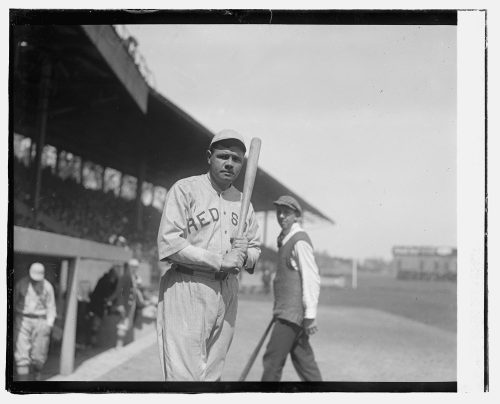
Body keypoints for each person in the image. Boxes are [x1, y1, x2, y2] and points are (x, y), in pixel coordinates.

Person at [156, 129, 261, 381]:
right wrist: (220, 260)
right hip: (188, 285)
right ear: (209, 157)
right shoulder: (185, 189)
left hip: (227, 290)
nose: (230, 163)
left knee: (213, 376)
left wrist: (244, 254)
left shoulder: (244, 202)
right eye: (223, 156)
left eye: (236, 159)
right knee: (184, 378)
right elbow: (169, 243)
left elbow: (255, 249)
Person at [261, 195, 322, 381]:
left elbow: (311, 278)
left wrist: (310, 316)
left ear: (296, 216)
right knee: (306, 364)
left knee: (272, 362)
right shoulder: (285, 238)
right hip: (287, 313)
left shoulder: (299, 240)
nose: (281, 216)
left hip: (290, 316)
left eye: (286, 212)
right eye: (279, 212)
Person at [13, 262, 57, 381]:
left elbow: (51, 307)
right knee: (22, 355)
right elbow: (13, 302)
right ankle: (23, 385)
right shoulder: (21, 284)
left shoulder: (47, 287)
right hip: (23, 319)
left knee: (38, 356)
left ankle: (37, 376)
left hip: (41, 320)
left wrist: (49, 324)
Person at [113, 259, 142, 347]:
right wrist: (121, 304)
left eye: (136, 267)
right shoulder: (125, 277)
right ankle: (119, 346)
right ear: (129, 267)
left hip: (131, 305)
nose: (134, 269)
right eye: (132, 267)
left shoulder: (134, 277)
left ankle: (124, 344)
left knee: (128, 324)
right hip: (125, 305)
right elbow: (120, 291)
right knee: (123, 324)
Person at [88, 266, 119, 346]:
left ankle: (93, 341)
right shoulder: (105, 281)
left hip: (99, 304)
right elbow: (107, 294)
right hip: (97, 304)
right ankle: (92, 342)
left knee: (96, 322)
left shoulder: (108, 281)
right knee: (95, 323)